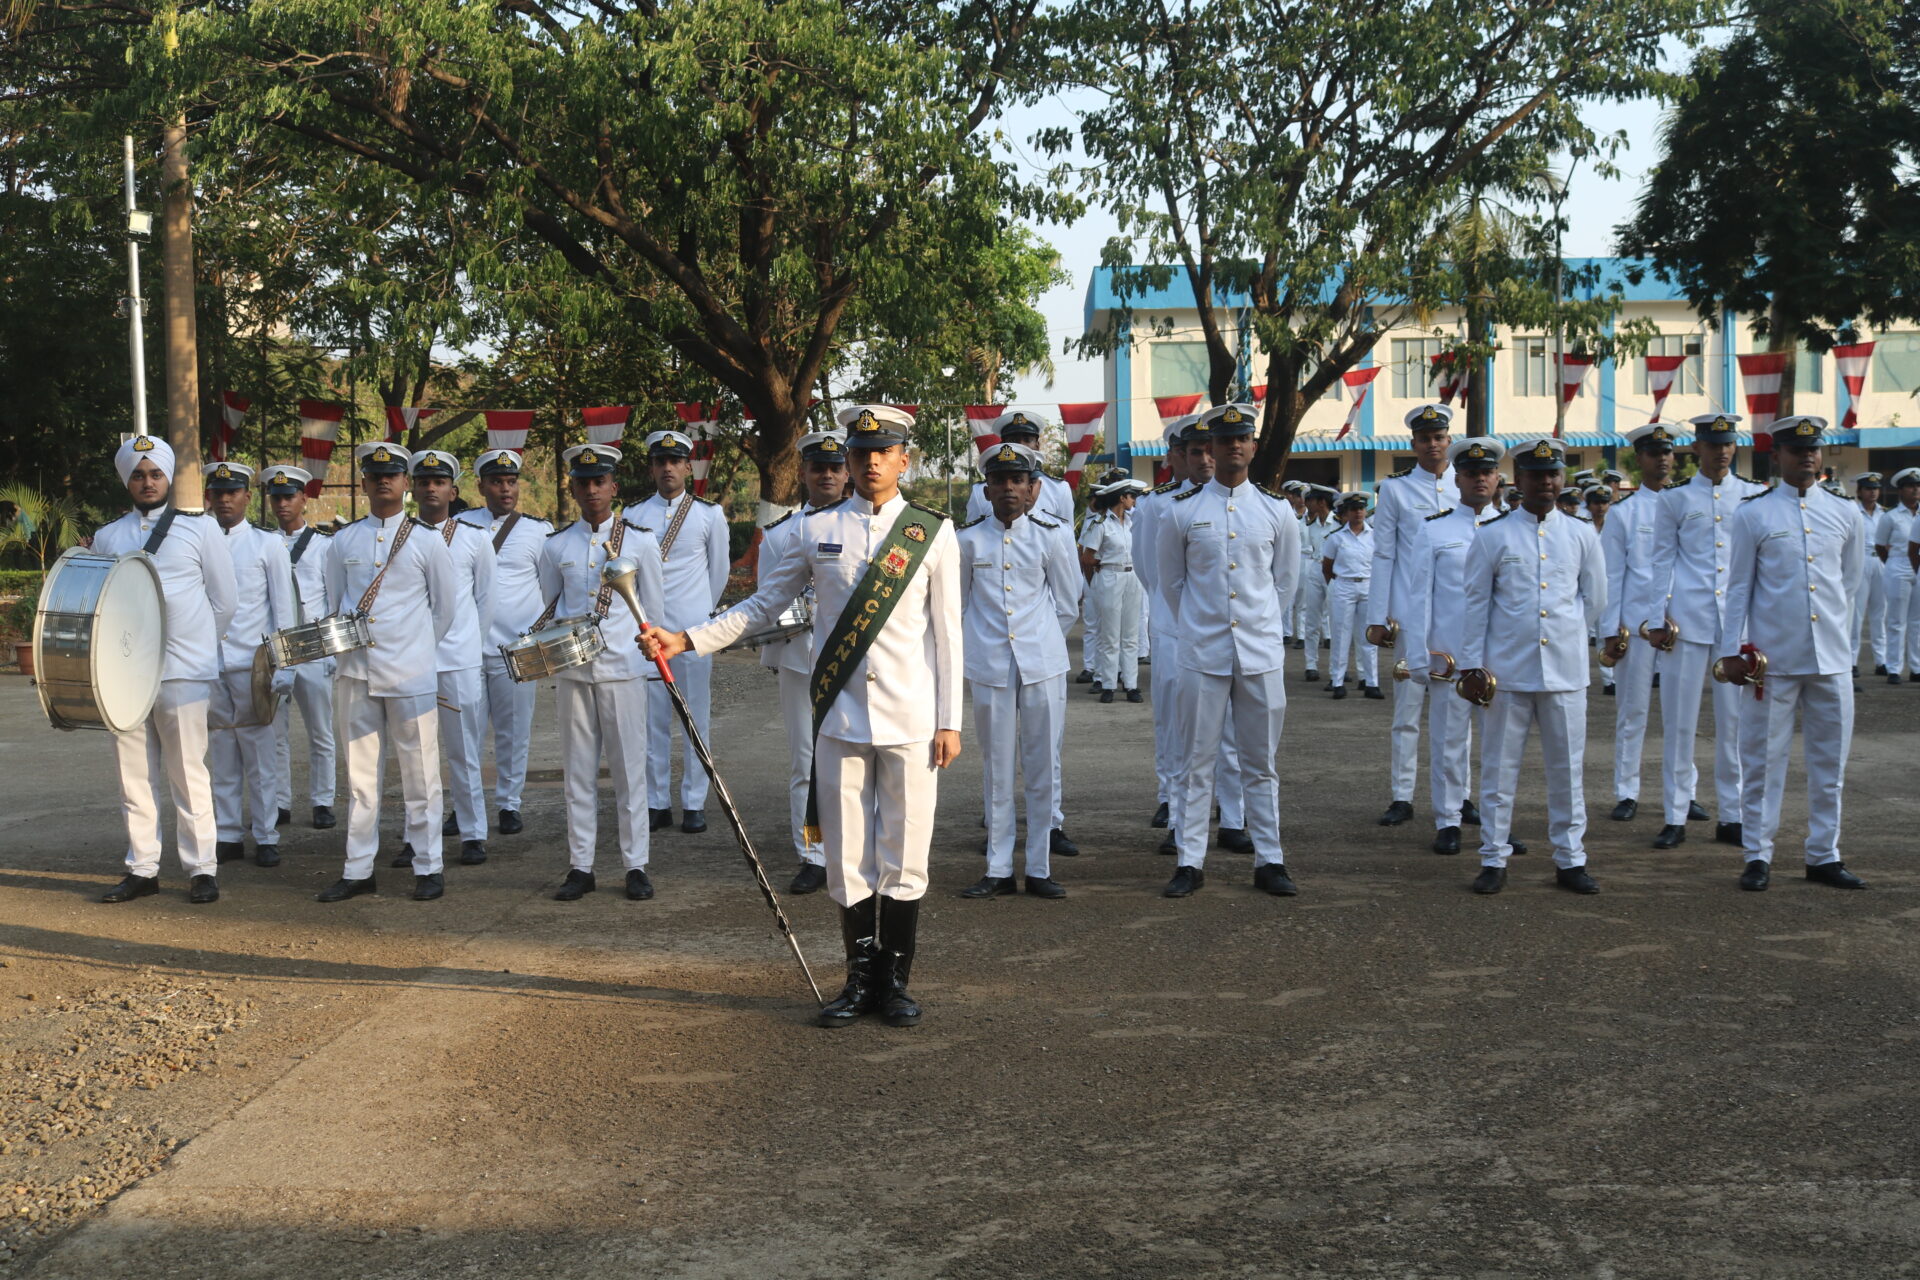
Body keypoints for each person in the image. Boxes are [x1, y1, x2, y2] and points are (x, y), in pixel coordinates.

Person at [641, 405, 962, 1029]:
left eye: (884, 451)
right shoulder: (815, 529)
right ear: (848, 460)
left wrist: (949, 720)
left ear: (904, 460)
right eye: (860, 451)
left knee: (905, 853)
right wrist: (687, 639)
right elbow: (763, 604)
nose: (870, 461)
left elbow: (948, 636)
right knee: (845, 855)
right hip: (839, 716)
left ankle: (895, 983)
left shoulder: (932, 532)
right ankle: (859, 978)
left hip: (912, 718)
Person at [1156, 402, 1301, 898]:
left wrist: (1256, 626)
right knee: (1196, 762)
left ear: (1253, 447)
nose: (1233, 446)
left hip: (1260, 653)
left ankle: (1270, 859)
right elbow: (1171, 584)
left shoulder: (1277, 510)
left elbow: (1285, 584)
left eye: (1242, 438)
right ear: (1211, 449)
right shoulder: (1183, 511)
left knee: (1260, 763)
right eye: (1224, 440)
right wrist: (1203, 626)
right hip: (1203, 653)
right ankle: (1190, 861)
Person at [1718, 416, 1867, 891]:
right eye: (1797, 450)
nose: (1807, 456)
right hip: (1772, 661)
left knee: (1830, 766)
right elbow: (1738, 588)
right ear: (1776, 456)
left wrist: (1838, 642)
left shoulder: (1845, 512)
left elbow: (1848, 584)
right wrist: (1733, 651)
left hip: (1830, 659)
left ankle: (1824, 854)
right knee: (1762, 763)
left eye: (1813, 449)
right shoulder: (1754, 514)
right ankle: (1757, 855)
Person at [1457, 435, 1606, 895]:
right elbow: (1475, 605)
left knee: (1568, 772)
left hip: (1565, 672)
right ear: (1518, 479)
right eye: (1536, 475)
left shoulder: (1581, 534)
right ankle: (1493, 857)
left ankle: (1571, 859)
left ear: (1562, 478)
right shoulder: (1493, 535)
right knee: (1499, 772)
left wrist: (1568, 636)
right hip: (1507, 673)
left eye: (1553, 474)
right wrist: (1472, 667)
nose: (1546, 482)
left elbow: (1595, 600)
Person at [93, 436, 237, 905]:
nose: (148, 482)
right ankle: (142, 868)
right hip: (125, 675)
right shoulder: (109, 537)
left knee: (187, 772)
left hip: (183, 671)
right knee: (133, 774)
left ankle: (202, 868)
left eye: (156, 474)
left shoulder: (201, 529)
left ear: (169, 478)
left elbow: (224, 602)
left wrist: (194, 648)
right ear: (127, 481)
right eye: (138, 475)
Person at [317, 443, 457, 903]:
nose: (383, 481)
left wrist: (415, 651)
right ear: (363, 483)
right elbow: (336, 601)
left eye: (392, 474)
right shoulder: (343, 541)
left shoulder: (427, 540)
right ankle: (358, 869)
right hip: (356, 672)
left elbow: (444, 610)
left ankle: (428, 865)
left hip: (409, 674)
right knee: (360, 778)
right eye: (375, 475)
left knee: (421, 775)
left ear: (405, 483)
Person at [1625, 413, 1769, 849]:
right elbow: (1661, 561)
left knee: (1735, 725)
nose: (1721, 451)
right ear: (1697, 448)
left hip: (1736, 625)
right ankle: (1675, 814)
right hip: (1686, 622)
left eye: (1727, 444)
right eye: (1713, 444)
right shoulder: (1676, 498)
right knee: (1679, 722)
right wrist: (1656, 620)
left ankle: (1733, 814)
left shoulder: (1753, 495)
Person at [539, 444, 668, 902]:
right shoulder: (556, 545)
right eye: (584, 483)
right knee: (577, 771)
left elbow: (654, 609)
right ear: (573, 488)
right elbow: (550, 606)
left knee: (630, 772)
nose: (592, 490)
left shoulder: (641, 541)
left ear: (614, 487)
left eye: (600, 482)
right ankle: (581, 866)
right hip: (575, 672)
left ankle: (636, 865)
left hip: (623, 669)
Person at [958, 442, 1082, 899]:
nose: (1008, 488)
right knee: (996, 767)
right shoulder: (967, 540)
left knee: (1041, 764)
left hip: (1042, 664)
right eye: (999, 480)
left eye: (1018, 480)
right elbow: (959, 605)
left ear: (1033, 489)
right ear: (986, 489)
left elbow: (1067, 603)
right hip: (989, 665)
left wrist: (1038, 642)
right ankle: (998, 869)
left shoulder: (1053, 535)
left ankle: (1039, 867)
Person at [1397, 438, 1505, 854]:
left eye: (1487, 473)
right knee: (1448, 741)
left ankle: (1497, 821)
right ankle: (1448, 819)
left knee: (1499, 745)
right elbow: (1419, 597)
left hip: (1498, 656)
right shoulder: (1434, 529)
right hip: (1451, 655)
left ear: (1497, 478)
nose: (1480, 480)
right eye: (1471, 473)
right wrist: (1419, 654)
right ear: (1456, 479)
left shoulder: (1510, 527)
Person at [758, 429, 849, 894]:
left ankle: (853, 848)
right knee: (805, 762)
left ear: (847, 472)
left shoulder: (866, 527)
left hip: (852, 659)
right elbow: (764, 603)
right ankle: (812, 853)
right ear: (803, 473)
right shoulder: (779, 535)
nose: (827, 475)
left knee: (855, 755)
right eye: (818, 468)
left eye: (835, 467)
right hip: (799, 658)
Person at [633, 428, 731, 834]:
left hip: (692, 635)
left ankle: (694, 801)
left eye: (675, 461)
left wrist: (700, 620)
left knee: (695, 718)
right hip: (649, 632)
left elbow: (719, 572)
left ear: (688, 468)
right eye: (661, 461)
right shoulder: (634, 515)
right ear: (652, 468)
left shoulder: (709, 514)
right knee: (652, 721)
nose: (668, 468)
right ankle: (657, 802)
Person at [201, 462, 296, 868]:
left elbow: (283, 608)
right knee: (222, 754)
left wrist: (286, 664)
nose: (225, 499)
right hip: (210, 662)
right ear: (208, 497)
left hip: (253, 665)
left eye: (232, 492)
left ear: (247, 496)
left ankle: (266, 834)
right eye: (218, 492)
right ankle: (227, 834)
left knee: (260, 756)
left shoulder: (266, 544)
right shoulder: (197, 540)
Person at [1366, 403, 1457, 827]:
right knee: (1407, 711)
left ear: (1449, 440)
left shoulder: (1466, 484)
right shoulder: (1396, 490)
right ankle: (1402, 795)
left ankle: (1459, 795)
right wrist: (1378, 615)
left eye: (1439, 437)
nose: (1432, 444)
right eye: (1425, 438)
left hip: (1455, 617)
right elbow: (1383, 553)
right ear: (1414, 443)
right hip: (1410, 617)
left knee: (1457, 711)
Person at [458, 448, 552, 835]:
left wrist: (537, 635)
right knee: (465, 733)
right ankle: (465, 804)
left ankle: (509, 803)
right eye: (497, 482)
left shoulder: (538, 530)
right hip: (466, 648)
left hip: (517, 650)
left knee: (514, 732)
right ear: (481, 486)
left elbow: (550, 588)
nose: (506, 489)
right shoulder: (459, 525)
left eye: (511, 482)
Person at [409, 450, 495, 867]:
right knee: (414, 756)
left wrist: (469, 650)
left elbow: (485, 602)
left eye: (439, 482)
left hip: (458, 659)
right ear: (413, 489)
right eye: (424, 482)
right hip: (409, 661)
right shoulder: (400, 536)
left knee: (463, 752)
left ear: (453, 491)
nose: (431, 488)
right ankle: (416, 836)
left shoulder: (474, 538)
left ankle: (472, 832)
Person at [1597, 424, 1678, 825]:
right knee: (1633, 711)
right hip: (1639, 627)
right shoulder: (1624, 513)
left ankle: (1683, 793)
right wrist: (1610, 631)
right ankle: (1627, 790)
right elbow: (1612, 576)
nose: (1661, 459)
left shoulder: (1686, 505)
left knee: (1680, 716)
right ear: (1639, 459)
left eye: (1666, 452)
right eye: (1653, 453)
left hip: (1682, 627)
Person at [1133, 416, 1199, 829]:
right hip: (1171, 621)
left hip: (1215, 625)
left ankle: (1226, 801)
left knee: (1221, 717)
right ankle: (1169, 795)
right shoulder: (1156, 503)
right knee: (1171, 715)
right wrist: (1169, 606)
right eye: (1188, 450)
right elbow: (1147, 568)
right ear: (1174, 454)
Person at [263, 465, 337, 831]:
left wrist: (332, 650)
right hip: (275, 646)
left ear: (303, 498)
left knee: (320, 731)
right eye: (276, 497)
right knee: (275, 732)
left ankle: (323, 801)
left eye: (289, 496)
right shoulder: (262, 543)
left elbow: (334, 598)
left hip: (311, 644)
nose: (282, 504)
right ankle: (280, 802)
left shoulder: (324, 545)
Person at [1080, 476, 1146, 703]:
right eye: (1131, 496)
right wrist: (1101, 566)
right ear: (1121, 498)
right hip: (1110, 576)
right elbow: (1087, 556)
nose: (1134, 501)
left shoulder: (1133, 522)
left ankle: (1131, 684)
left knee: (1131, 634)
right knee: (1110, 634)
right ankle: (1108, 684)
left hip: (1132, 575)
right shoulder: (1101, 524)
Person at [963, 409, 1076, 525]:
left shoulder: (1059, 489)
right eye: (1013, 440)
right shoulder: (979, 491)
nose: (1021, 445)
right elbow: (974, 531)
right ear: (1003, 445)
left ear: (1037, 445)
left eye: (1027, 440)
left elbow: (1066, 532)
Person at [1322, 493, 1380, 699]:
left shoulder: (1374, 536)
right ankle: (1337, 681)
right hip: (1344, 585)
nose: (1358, 512)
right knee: (1341, 635)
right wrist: (1338, 584)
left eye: (1361, 508)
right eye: (1354, 509)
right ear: (1345, 513)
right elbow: (1327, 567)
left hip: (1368, 585)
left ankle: (1371, 682)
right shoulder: (1336, 537)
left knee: (1368, 636)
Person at [1882, 467, 1920, 684]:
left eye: (1918, 486)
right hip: (1898, 564)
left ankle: (1917, 667)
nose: (1915, 490)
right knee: (1896, 620)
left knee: (1917, 621)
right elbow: (1880, 545)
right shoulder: (1891, 516)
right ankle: (1893, 668)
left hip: (1918, 567)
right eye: (1910, 486)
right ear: (1901, 490)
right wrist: (1892, 565)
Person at [1296, 486, 1336, 683]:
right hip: (1315, 569)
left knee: (1337, 621)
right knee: (1312, 620)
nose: (1307, 503)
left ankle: (1338, 668)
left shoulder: (1338, 523)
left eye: (1311, 500)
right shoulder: (1310, 524)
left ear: (1321, 502)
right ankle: (1310, 665)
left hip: (1335, 573)